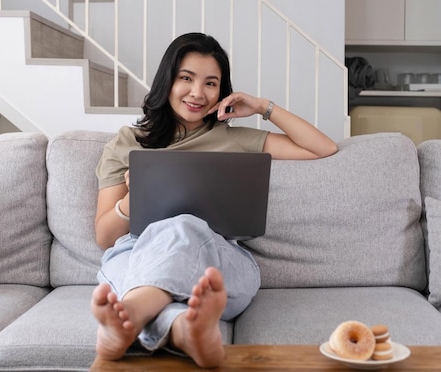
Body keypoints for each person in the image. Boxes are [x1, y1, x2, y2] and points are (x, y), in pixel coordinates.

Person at [90, 32, 338, 368]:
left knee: (185, 226)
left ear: (222, 91)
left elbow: (322, 148)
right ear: (168, 80)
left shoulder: (234, 139)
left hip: (219, 259)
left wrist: (262, 107)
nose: (197, 93)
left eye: (211, 83)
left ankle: (129, 316)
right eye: (186, 78)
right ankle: (184, 331)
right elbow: (105, 237)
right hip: (135, 252)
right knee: (163, 249)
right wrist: (133, 202)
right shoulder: (128, 142)